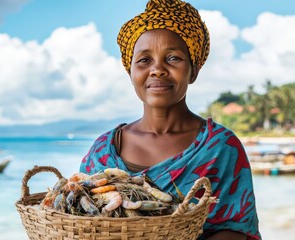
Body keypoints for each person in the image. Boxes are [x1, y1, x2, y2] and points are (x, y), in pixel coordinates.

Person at [79, 0, 261, 239]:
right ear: (130, 72)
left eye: (173, 58)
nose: (157, 69)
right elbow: (80, 219)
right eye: (144, 60)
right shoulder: (102, 151)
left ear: (193, 71)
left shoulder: (220, 147)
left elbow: (238, 230)